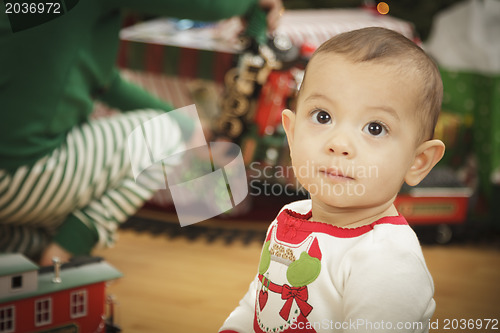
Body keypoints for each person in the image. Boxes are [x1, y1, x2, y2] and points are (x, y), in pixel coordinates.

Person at [0, 0, 283, 266]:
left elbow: (104, 83)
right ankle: (61, 255)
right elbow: (212, 5)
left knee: (29, 238)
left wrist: (191, 125)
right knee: (162, 135)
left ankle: (26, 246)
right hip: (20, 173)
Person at [219, 27, 445, 333]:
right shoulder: (288, 219)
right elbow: (258, 305)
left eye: (375, 128)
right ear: (293, 131)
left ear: (418, 162)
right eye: (322, 116)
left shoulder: (388, 261)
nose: (339, 143)